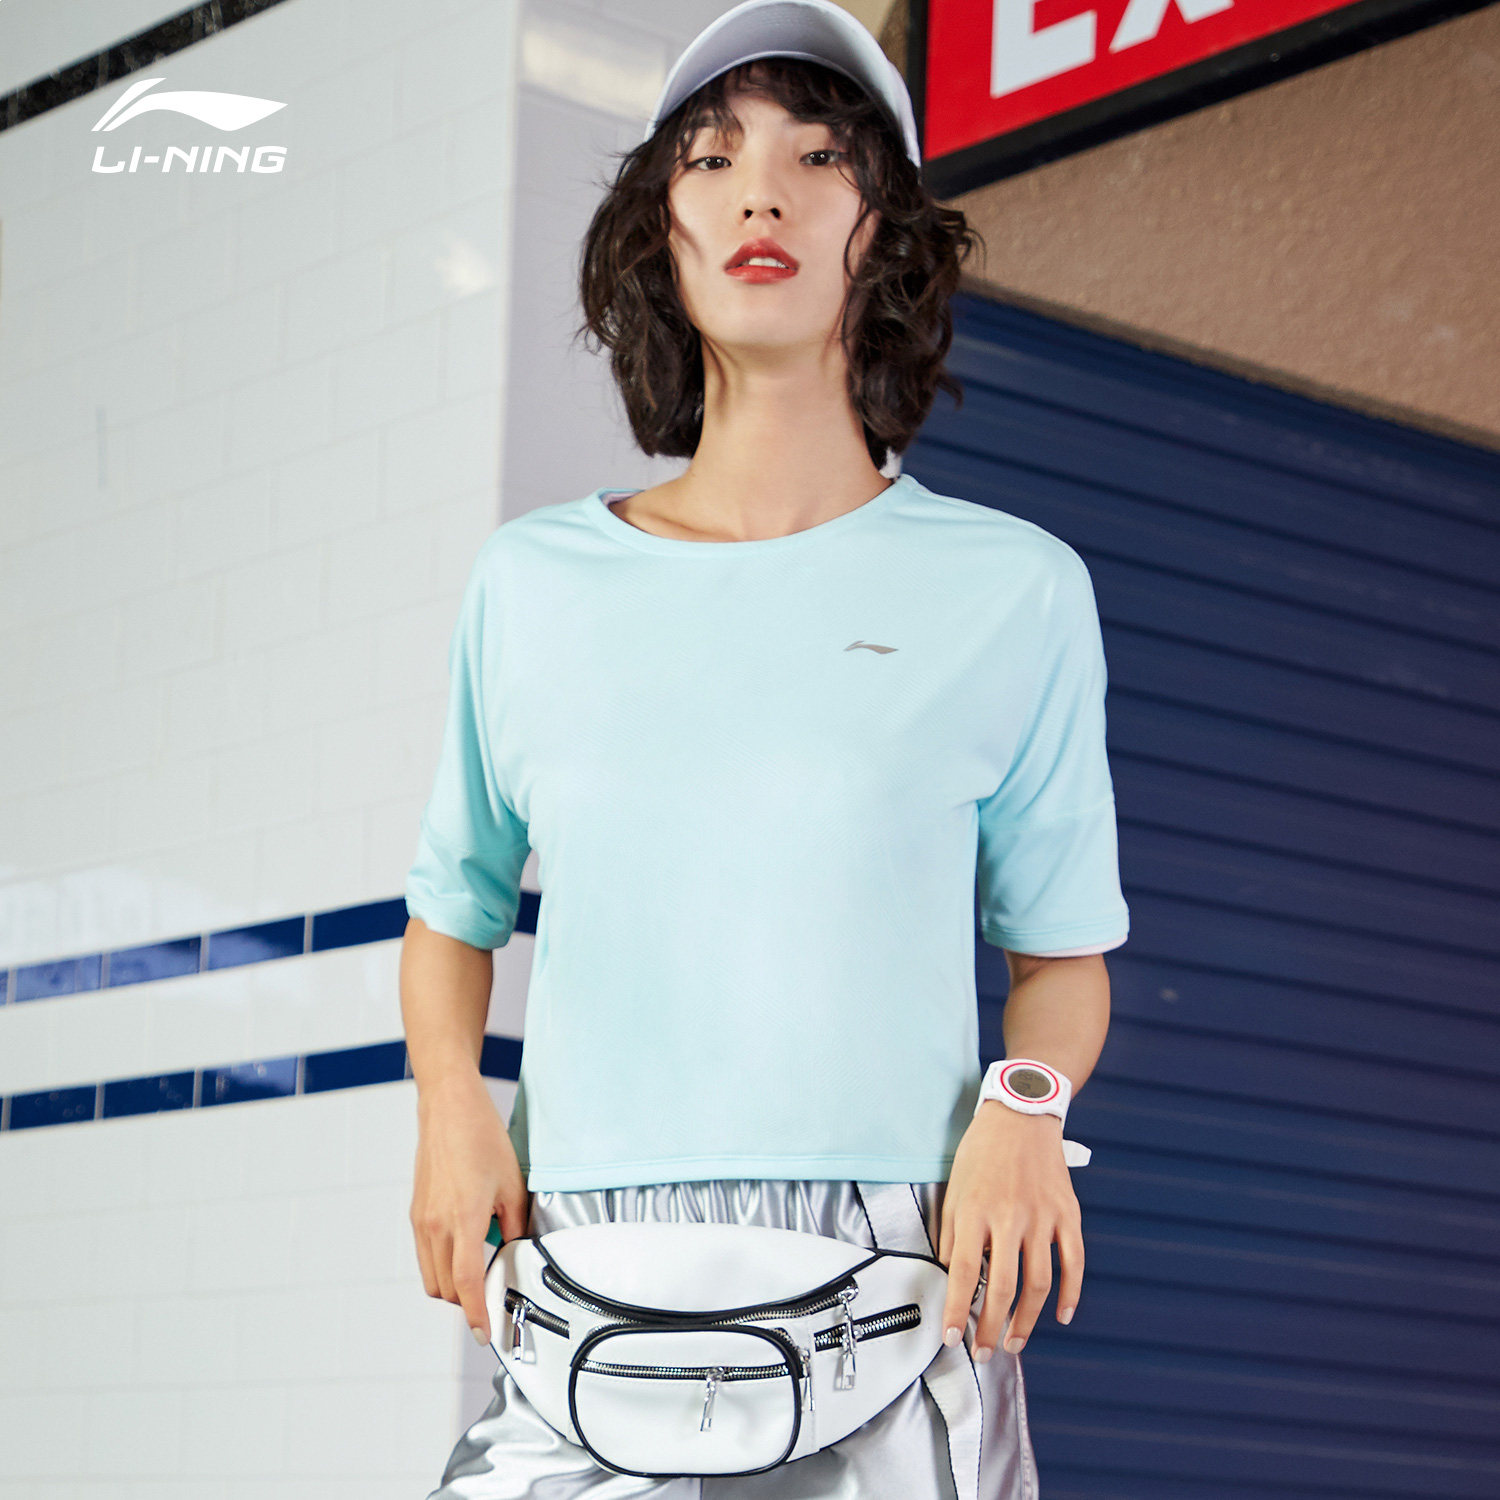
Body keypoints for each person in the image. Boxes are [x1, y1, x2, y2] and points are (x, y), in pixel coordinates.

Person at [399, 1, 1129, 1495]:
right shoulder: (531, 583)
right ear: (658, 236)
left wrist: (1024, 1112)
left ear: (886, 236)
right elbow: (451, 912)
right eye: (713, 158)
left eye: (819, 156)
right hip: (587, 1255)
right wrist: (451, 1109)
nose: (762, 196)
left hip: (899, 1263)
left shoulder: (1015, 589)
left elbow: (1064, 957)